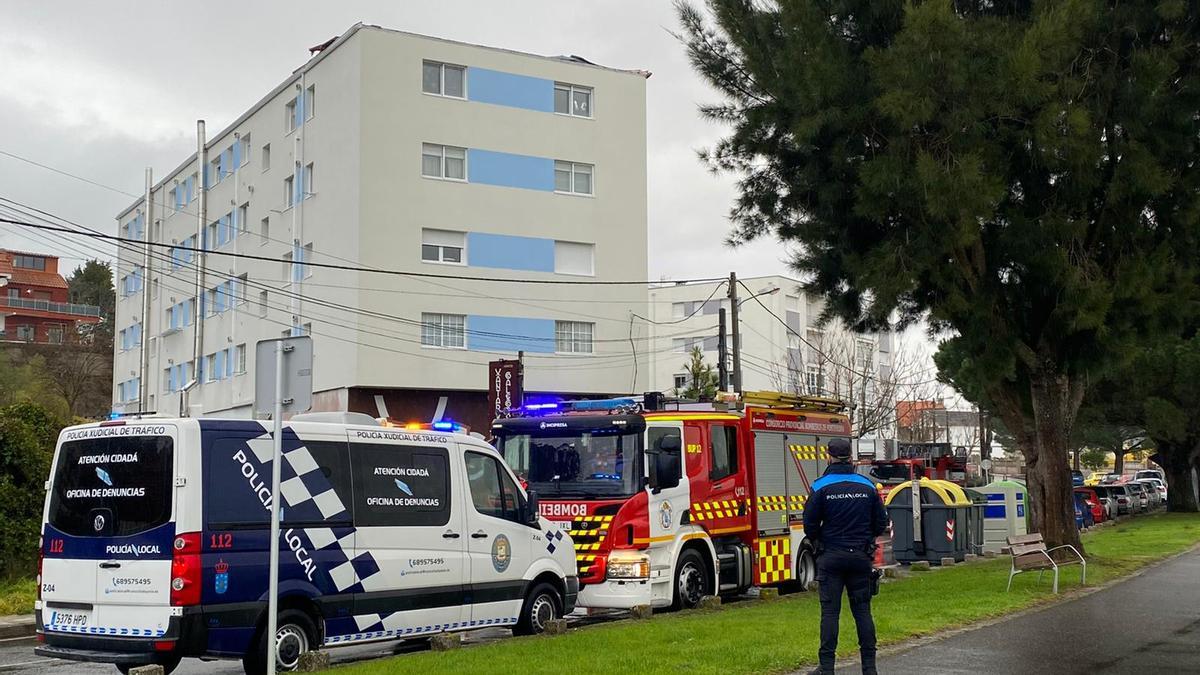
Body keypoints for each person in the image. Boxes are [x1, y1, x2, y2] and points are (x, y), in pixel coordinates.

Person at [803, 437, 890, 675]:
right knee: (862, 612)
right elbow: (881, 522)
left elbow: (809, 524)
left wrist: (821, 541)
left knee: (830, 613)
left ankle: (827, 668)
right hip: (860, 556)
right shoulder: (867, 486)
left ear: (828, 456)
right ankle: (869, 668)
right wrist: (864, 539)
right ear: (850, 457)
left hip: (831, 556)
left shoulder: (820, 486)